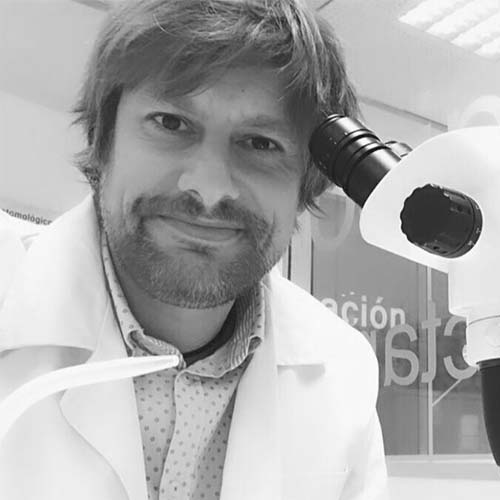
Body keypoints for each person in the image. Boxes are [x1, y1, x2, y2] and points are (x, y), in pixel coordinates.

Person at [0, 0, 388, 499]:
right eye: (170, 122)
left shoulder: (345, 370)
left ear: (305, 183)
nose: (208, 188)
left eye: (260, 143)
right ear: (105, 141)